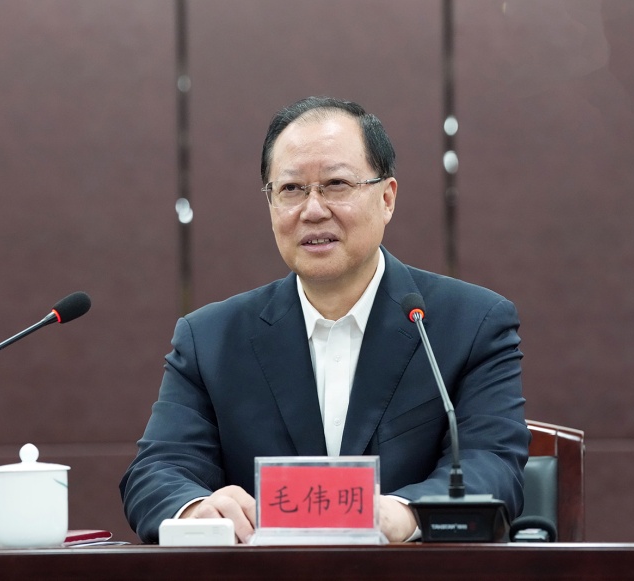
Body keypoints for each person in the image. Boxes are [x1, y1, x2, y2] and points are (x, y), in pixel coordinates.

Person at [120, 96, 529, 544]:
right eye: (291, 189)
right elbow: (156, 471)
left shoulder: (470, 324)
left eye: (336, 184)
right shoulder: (210, 339)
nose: (313, 210)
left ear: (387, 198)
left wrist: (403, 512)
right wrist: (197, 508)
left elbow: (492, 464)